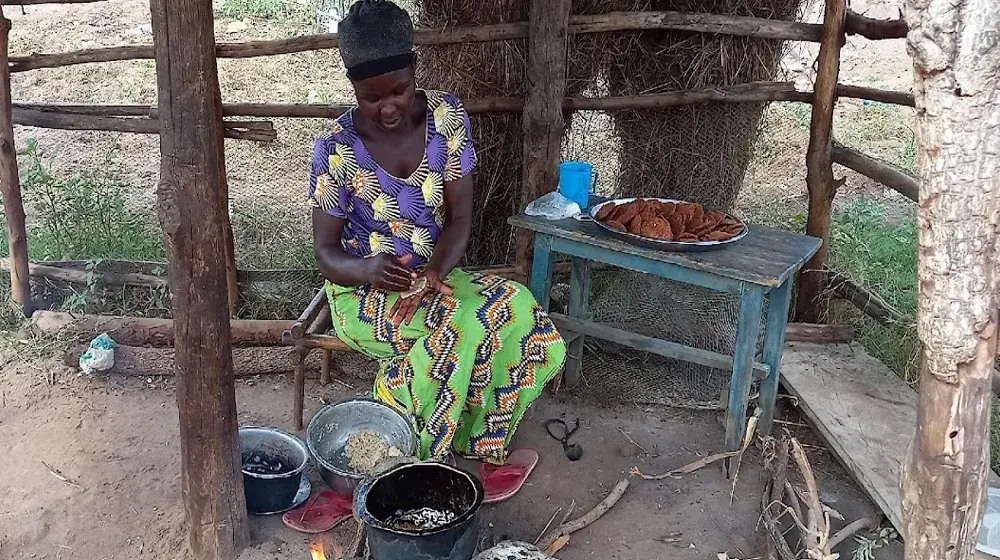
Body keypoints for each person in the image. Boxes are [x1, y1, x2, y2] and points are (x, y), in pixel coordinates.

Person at [308, 0, 566, 502]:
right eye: (370, 96)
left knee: (514, 306)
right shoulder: (335, 148)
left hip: (437, 277)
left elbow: (461, 220)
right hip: (362, 294)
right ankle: (384, 470)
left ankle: (481, 444)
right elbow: (325, 254)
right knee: (456, 328)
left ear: (415, 71)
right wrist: (366, 268)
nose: (387, 106)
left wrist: (433, 273)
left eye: (399, 90)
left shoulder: (446, 119)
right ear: (353, 88)